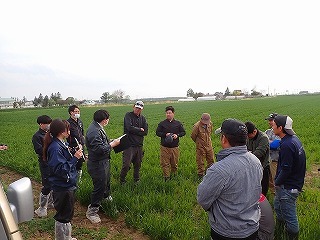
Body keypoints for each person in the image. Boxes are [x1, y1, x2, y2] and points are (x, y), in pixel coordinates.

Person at [197, 118, 263, 240]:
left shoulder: (218, 170)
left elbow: (203, 199)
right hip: (252, 228)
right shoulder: (256, 161)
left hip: (226, 232)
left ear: (224, 139)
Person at [43, 119, 83, 240]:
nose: (69, 131)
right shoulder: (55, 148)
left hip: (66, 185)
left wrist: (74, 152)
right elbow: (61, 170)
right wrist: (75, 158)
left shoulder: (61, 143)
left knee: (67, 214)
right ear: (62, 131)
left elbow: (65, 161)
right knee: (63, 216)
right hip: (62, 187)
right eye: (68, 129)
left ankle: (67, 237)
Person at [272, 115, 306, 240]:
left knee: (290, 216)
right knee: (278, 206)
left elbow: (286, 169)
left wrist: (277, 182)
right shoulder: (294, 139)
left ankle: (292, 236)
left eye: (274, 125)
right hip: (293, 183)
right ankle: (279, 229)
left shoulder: (287, 145)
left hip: (288, 187)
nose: (272, 126)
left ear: (280, 128)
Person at [85, 109, 120, 224]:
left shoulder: (97, 127)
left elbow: (101, 143)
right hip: (97, 163)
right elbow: (99, 149)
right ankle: (92, 211)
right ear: (104, 120)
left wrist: (111, 141)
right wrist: (112, 144)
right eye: (108, 118)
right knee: (99, 186)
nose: (108, 120)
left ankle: (106, 200)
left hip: (103, 161)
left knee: (106, 183)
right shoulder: (94, 131)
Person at [120, 100, 148, 185]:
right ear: (133, 107)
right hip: (128, 144)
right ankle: (122, 180)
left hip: (139, 145)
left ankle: (136, 179)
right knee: (126, 164)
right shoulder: (128, 115)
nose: (137, 110)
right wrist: (139, 129)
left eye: (139, 109)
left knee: (138, 164)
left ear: (142, 109)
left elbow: (145, 132)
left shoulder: (143, 118)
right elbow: (128, 128)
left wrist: (134, 130)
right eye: (136, 108)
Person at [156, 106, 186, 181]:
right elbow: (157, 133)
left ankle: (174, 175)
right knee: (165, 163)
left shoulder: (178, 123)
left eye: (170, 113)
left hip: (175, 147)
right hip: (165, 147)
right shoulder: (162, 123)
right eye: (167, 113)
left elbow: (183, 132)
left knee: (174, 163)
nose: (168, 114)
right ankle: (166, 177)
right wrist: (165, 134)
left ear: (173, 114)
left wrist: (177, 135)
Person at [32, 115, 53, 217]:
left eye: (50, 123)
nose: (49, 125)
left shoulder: (51, 134)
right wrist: (52, 151)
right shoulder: (37, 136)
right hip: (45, 163)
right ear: (41, 124)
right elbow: (39, 150)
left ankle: (50, 203)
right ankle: (42, 208)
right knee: (47, 185)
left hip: (53, 162)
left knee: (53, 183)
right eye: (47, 123)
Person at [245, 121, 271, 197]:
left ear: (254, 131)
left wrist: (246, 156)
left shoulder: (263, 138)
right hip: (251, 166)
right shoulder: (248, 137)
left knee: (263, 187)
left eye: (248, 135)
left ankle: (263, 203)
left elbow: (259, 153)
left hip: (263, 166)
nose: (247, 137)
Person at [191, 113, 215, 179]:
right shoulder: (196, 126)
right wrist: (199, 143)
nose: (206, 123)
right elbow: (193, 136)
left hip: (209, 145)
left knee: (211, 159)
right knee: (200, 161)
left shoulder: (210, 124)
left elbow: (210, 133)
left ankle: (210, 173)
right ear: (201, 119)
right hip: (200, 147)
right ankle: (200, 175)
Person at [67, 105, 85, 184]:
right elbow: (67, 136)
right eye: (76, 112)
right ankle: (72, 180)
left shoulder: (80, 122)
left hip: (81, 146)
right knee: (73, 163)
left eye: (78, 111)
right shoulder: (68, 123)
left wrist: (83, 143)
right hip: (73, 147)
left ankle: (78, 181)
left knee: (80, 163)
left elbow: (82, 133)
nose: (77, 113)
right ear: (71, 112)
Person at [264, 113, 281, 194]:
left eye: (271, 120)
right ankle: (273, 196)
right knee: (269, 181)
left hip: (276, 161)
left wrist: (267, 142)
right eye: (269, 120)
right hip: (268, 160)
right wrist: (269, 143)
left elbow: (275, 145)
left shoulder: (280, 131)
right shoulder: (268, 131)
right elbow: (263, 142)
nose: (269, 122)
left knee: (276, 180)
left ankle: (278, 197)